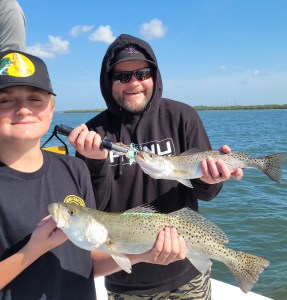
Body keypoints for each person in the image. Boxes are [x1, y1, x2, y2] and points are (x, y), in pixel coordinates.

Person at [68, 34, 244, 299]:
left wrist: (210, 180)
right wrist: (94, 163)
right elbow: (93, 213)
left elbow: (207, 193)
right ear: (109, 82)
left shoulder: (183, 116)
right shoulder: (93, 134)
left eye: (142, 73)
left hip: (187, 273)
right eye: (122, 77)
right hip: (125, 281)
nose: (134, 83)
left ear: (154, 75)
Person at [0, 50, 185, 300]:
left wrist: (141, 255)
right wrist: (33, 250)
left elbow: (88, 262)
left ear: (52, 109)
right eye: (5, 101)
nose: (23, 109)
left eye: (35, 99)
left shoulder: (74, 169)